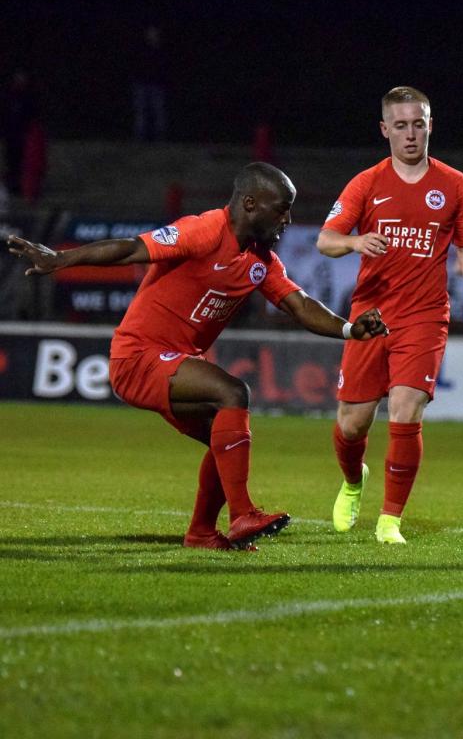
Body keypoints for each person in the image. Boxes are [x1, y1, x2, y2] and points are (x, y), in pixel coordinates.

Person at [6, 163, 389, 549]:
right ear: (250, 204)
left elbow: (300, 305)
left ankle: (202, 532)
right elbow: (133, 248)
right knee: (233, 393)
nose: (287, 220)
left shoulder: (261, 261)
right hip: (138, 356)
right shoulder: (204, 231)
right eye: (281, 209)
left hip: (176, 361)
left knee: (226, 442)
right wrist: (61, 259)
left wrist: (349, 330)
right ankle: (242, 514)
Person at [317, 86, 463, 545]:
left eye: (418, 124)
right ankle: (353, 482)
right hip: (371, 317)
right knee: (352, 423)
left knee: (406, 408)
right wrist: (356, 241)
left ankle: (389, 520)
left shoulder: (454, 184)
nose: (411, 134)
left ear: (430, 125)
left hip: (425, 316)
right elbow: (325, 240)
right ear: (385, 130)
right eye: (401, 126)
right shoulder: (366, 183)